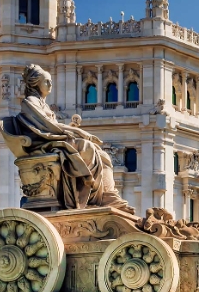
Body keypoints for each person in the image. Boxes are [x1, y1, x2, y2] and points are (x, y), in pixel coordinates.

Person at [9, 64, 133, 212]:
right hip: (43, 145)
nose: (50, 85)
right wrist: (78, 133)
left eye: (50, 81)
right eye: (46, 81)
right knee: (87, 147)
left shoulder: (43, 104)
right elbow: (47, 126)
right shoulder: (30, 102)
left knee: (103, 155)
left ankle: (106, 196)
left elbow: (51, 126)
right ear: (35, 83)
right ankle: (91, 192)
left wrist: (72, 130)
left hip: (53, 140)